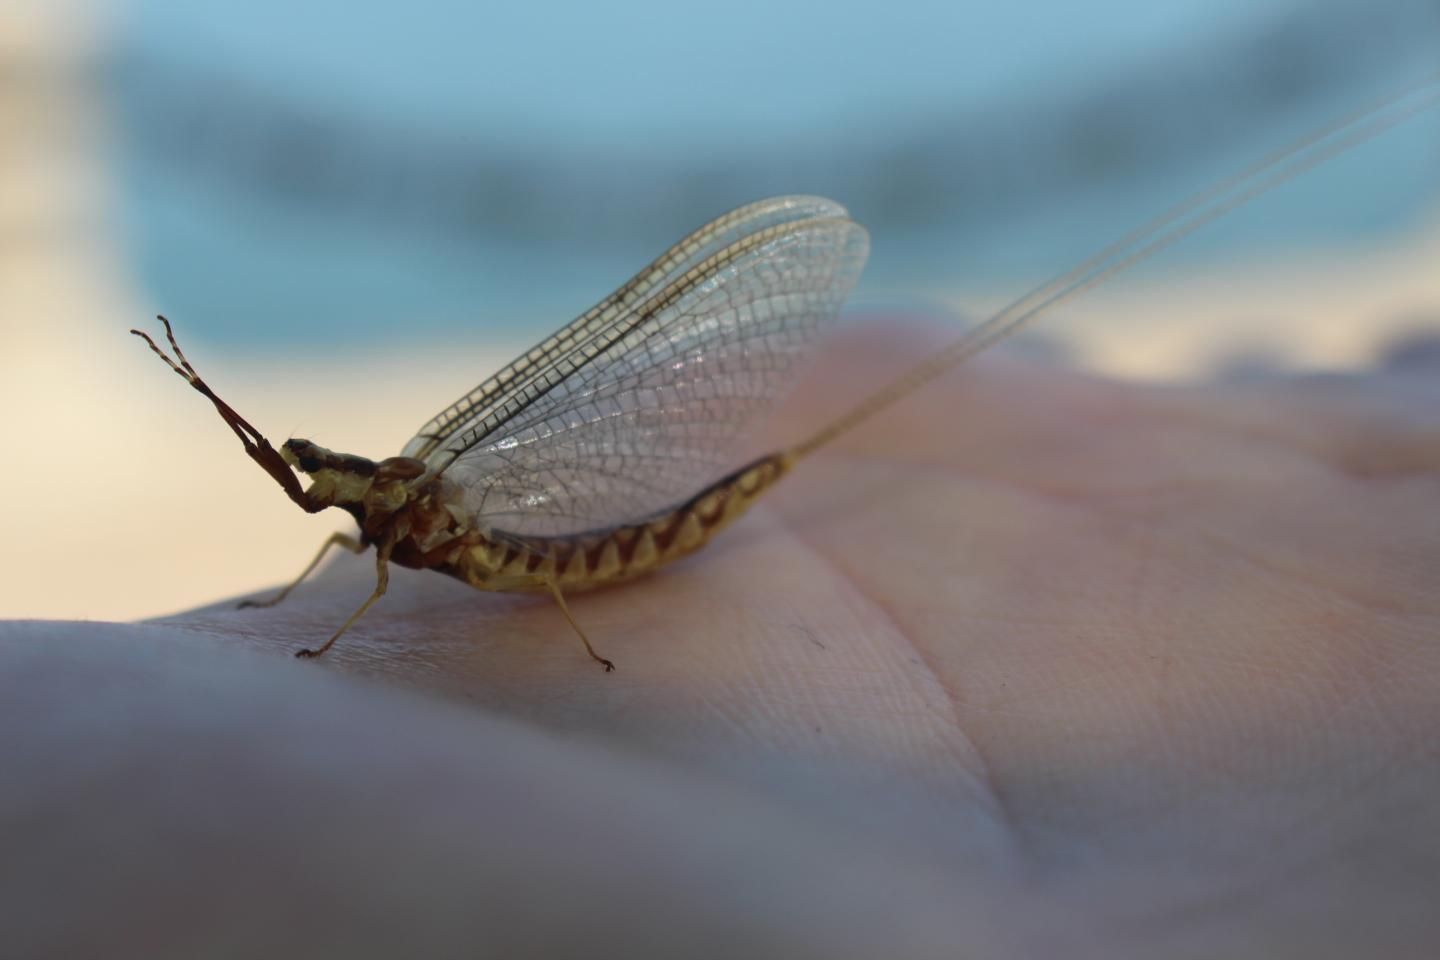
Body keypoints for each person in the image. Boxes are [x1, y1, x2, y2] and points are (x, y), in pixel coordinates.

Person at [4, 331, 1437, 957]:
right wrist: (281, 607)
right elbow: (342, 543)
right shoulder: (369, 520)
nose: (308, 483)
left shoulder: (423, 514)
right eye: (300, 470)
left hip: (605, 549)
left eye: (311, 466)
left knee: (481, 571)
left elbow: (454, 572)